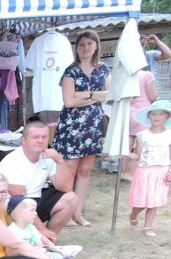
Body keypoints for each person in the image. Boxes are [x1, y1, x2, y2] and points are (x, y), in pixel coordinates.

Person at [51, 29, 111, 227]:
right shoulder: (71, 71)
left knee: (85, 171)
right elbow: (68, 101)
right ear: (76, 48)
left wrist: (84, 94)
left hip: (92, 126)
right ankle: (65, 212)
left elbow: (109, 95)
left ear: (96, 46)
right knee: (70, 171)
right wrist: (95, 95)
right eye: (82, 44)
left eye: (89, 44)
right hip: (72, 126)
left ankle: (78, 213)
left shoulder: (104, 70)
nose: (86, 48)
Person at [0, 120, 77, 244]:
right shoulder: (13, 161)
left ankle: (47, 241)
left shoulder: (48, 157)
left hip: (33, 202)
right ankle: (40, 239)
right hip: (11, 208)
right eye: (35, 137)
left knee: (71, 198)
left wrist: (59, 160)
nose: (40, 141)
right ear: (23, 140)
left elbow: (66, 187)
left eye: (44, 137)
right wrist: (42, 229)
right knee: (24, 207)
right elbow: (20, 201)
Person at [7, 195, 100, 259]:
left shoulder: (31, 228)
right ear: (20, 213)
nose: (35, 213)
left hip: (37, 255)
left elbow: (40, 244)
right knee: (55, 256)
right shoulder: (12, 230)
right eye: (32, 210)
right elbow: (12, 252)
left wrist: (49, 249)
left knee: (59, 253)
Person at [127, 100, 171, 237]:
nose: (157, 117)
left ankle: (147, 226)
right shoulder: (142, 135)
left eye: (161, 114)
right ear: (148, 116)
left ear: (167, 117)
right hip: (145, 171)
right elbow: (137, 155)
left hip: (162, 170)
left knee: (154, 200)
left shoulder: (169, 134)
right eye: (153, 114)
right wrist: (125, 153)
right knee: (142, 200)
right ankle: (133, 217)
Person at [123, 67, 159, 181]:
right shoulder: (147, 75)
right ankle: (132, 173)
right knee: (140, 146)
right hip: (142, 114)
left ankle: (122, 172)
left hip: (129, 112)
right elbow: (152, 96)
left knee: (127, 145)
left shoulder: (127, 75)